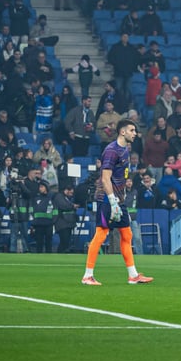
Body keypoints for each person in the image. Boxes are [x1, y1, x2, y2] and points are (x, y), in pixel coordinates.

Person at [82, 120, 153, 285]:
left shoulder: (125, 150)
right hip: (107, 199)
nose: (135, 133)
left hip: (119, 200)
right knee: (101, 234)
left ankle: (133, 275)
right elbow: (105, 178)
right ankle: (87, 276)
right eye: (132, 130)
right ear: (122, 132)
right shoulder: (111, 150)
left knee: (127, 234)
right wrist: (112, 202)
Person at [30, 180, 55, 254]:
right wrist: (33, 224)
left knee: (48, 242)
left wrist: (54, 221)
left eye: (42, 187)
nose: (40, 189)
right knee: (39, 243)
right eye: (39, 187)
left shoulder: (52, 197)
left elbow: (55, 211)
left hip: (49, 224)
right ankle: (38, 257)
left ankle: (49, 257)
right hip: (38, 224)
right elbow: (32, 211)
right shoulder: (36, 198)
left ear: (46, 188)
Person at [53, 184, 78, 253]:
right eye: (71, 192)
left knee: (66, 242)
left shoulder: (66, 198)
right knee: (64, 241)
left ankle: (63, 253)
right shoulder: (59, 197)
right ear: (66, 190)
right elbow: (63, 205)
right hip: (62, 223)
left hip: (67, 223)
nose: (72, 194)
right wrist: (73, 206)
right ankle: (60, 254)